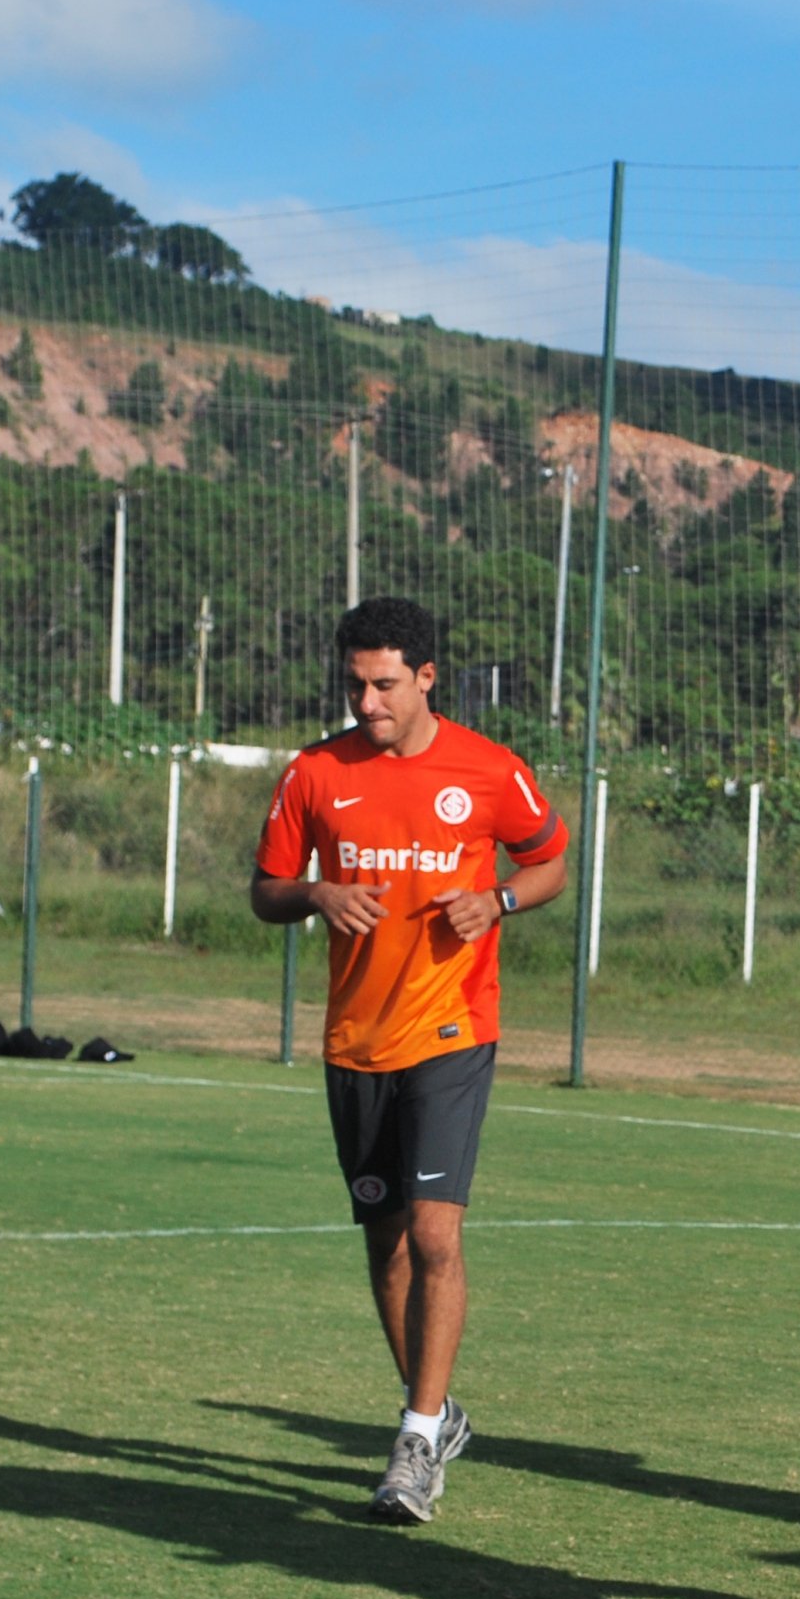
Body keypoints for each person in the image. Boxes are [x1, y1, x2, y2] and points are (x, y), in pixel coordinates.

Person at [251, 596, 570, 1524]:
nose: (367, 702)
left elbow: (550, 861)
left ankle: (416, 1440)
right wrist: (315, 891)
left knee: (435, 1234)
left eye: (384, 684)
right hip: (355, 1040)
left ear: (427, 677)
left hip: (453, 1030)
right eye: (355, 684)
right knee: (386, 1245)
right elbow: (265, 889)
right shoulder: (315, 773)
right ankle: (435, 1413)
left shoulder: (489, 768)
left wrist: (502, 903)